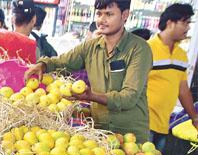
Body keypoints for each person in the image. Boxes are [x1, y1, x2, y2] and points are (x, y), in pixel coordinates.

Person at [24, 0, 153, 142]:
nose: (101, 20)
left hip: (130, 135)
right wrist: (43, 65)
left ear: (125, 15)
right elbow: (61, 61)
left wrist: (91, 96)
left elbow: (129, 97)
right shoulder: (90, 47)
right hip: (100, 131)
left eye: (109, 14)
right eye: (99, 14)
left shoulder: (139, 49)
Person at [147, 3, 198, 151]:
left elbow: (183, 90)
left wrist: (194, 117)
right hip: (144, 124)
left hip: (164, 125)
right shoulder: (147, 49)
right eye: (185, 22)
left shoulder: (181, 55)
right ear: (170, 23)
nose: (188, 28)